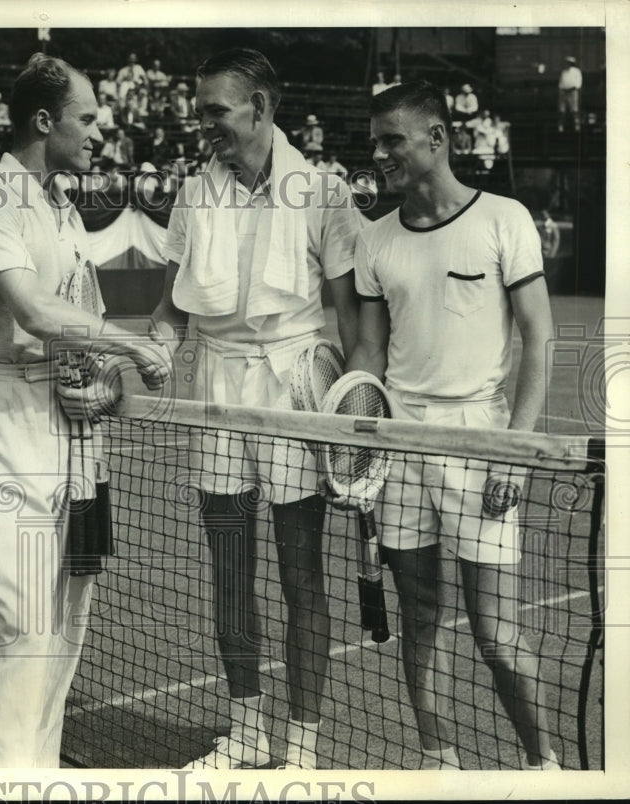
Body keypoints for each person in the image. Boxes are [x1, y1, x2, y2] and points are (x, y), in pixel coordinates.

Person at [150, 47, 362, 770]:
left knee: (302, 576)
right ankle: (245, 734)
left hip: (294, 392)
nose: (202, 122)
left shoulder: (325, 192)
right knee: (229, 569)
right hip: (216, 391)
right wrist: (150, 349)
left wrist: (358, 416)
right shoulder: (191, 191)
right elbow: (171, 310)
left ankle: (299, 747)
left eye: (217, 110)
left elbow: (354, 321)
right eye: (200, 108)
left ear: (262, 109)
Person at [0, 52, 173, 768]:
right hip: (6, 443)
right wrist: (128, 345)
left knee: (64, 631)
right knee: (18, 640)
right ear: (44, 120)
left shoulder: (64, 204)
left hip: (78, 452)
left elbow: (82, 313)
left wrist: (110, 379)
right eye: (86, 119)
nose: (98, 134)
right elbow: (31, 308)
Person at [348, 81, 557, 770]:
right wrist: (355, 436)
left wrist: (515, 451)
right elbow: (370, 355)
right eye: (376, 141)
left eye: (393, 140)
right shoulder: (374, 240)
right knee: (421, 619)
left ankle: (543, 763)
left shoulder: (504, 218)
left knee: (497, 635)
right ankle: (438, 759)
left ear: (438, 138)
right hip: (402, 446)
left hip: (481, 441)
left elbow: (540, 338)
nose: (380, 154)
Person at [557, 55, 582, 133]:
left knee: (574, 110)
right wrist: (561, 89)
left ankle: (576, 125)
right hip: (564, 92)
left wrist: (574, 88)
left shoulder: (577, 71)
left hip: (573, 92)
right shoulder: (563, 72)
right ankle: (560, 126)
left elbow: (579, 82)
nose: (566, 64)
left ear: (571, 63)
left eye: (568, 63)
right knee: (562, 110)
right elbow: (561, 82)